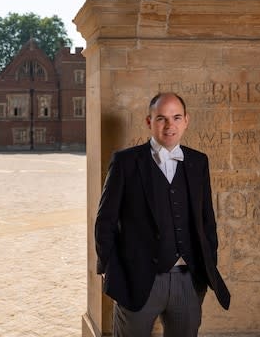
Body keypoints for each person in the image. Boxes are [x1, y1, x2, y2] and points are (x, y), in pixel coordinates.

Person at [95, 92, 230, 337]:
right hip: (137, 280)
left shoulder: (198, 162)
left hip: (188, 281)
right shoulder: (126, 162)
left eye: (176, 117)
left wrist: (207, 262)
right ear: (149, 122)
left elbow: (207, 220)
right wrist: (111, 269)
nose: (170, 125)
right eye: (161, 118)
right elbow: (105, 222)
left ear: (186, 120)